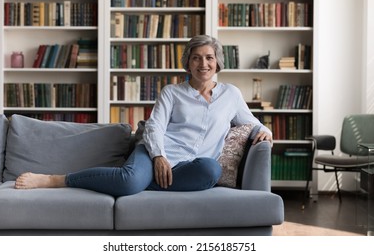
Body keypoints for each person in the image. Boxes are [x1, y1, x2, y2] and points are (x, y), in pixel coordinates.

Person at [15, 35, 272, 196]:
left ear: (218, 62)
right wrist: (159, 157)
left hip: (191, 167)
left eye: (209, 57)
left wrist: (265, 131)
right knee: (129, 182)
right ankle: (56, 180)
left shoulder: (231, 94)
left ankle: (129, 181)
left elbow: (252, 123)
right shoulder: (172, 92)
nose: (203, 64)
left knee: (210, 170)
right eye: (196, 58)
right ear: (188, 63)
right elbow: (154, 128)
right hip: (155, 153)